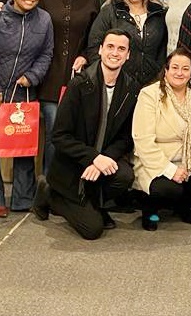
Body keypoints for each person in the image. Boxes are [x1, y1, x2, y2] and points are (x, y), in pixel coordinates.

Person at [32, 29, 140, 240]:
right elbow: (60, 136)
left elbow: (126, 137)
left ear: (128, 55)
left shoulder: (131, 88)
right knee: (93, 230)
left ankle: (92, 205)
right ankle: (49, 192)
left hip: (101, 160)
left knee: (125, 176)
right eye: (110, 47)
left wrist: (104, 159)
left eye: (121, 49)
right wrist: (93, 157)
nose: (115, 53)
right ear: (100, 50)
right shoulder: (79, 85)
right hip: (72, 167)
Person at [0, 0, 54, 217]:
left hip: (24, 92)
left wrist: (32, 77)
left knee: (23, 145)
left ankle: (23, 198)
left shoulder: (44, 20)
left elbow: (46, 54)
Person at [132, 48, 191, 231]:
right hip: (159, 161)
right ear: (165, 71)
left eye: (185, 69)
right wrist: (169, 170)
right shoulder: (149, 94)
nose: (179, 73)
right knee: (168, 189)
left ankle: (183, 205)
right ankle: (150, 209)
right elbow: (143, 141)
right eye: (174, 67)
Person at [37, 0, 102, 176]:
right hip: (48, 78)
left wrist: (85, 54)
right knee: (54, 134)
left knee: (76, 136)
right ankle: (49, 185)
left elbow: (96, 37)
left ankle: (70, 188)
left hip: (78, 79)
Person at [86, 0, 167, 87]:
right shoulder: (110, 11)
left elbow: (163, 49)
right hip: (118, 82)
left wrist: (159, 76)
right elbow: (94, 46)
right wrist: (105, 76)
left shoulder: (159, 14)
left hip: (152, 85)